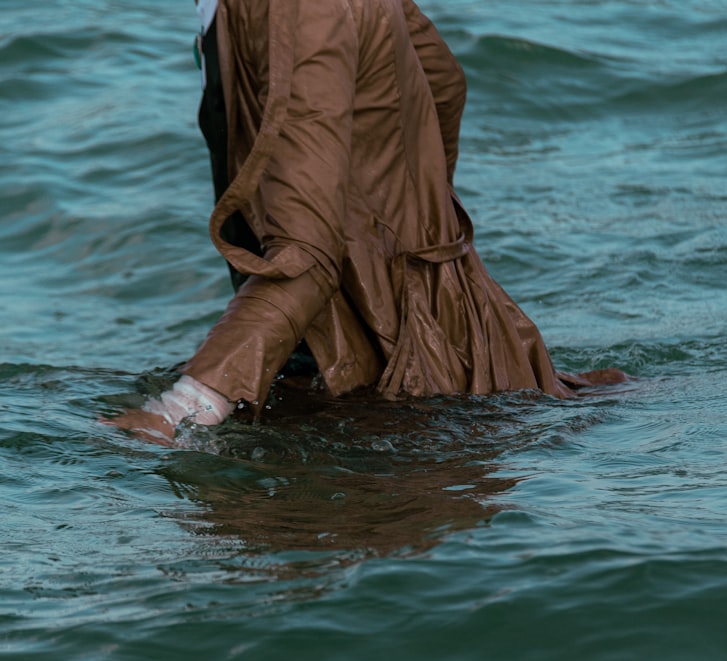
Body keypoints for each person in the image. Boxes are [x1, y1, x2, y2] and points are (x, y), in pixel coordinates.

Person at [106, 0, 624, 444]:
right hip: (451, 349)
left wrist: (174, 412)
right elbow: (442, 83)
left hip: (396, 390)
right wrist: (390, 228)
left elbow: (304, 256)